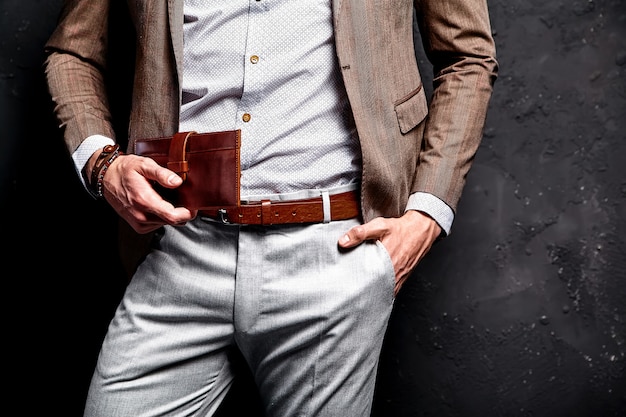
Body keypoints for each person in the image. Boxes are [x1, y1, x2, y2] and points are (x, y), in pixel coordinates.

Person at [44, 0, 497, 415]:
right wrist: (102, 164)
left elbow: (468, 56)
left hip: (335, 255)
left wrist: (426, 213)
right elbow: (72, 51)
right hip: (178, 245)